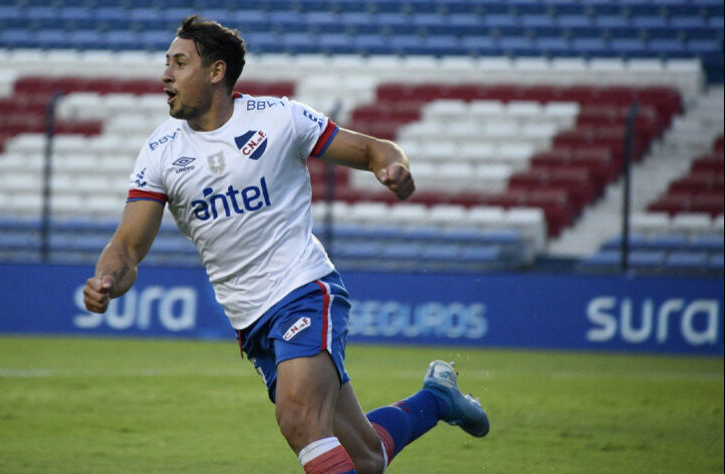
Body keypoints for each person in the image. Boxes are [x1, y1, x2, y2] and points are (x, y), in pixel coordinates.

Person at [83, 15, 489, 474]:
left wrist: (391, 166)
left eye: (179, 63)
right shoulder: (160, 152)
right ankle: (437, 399)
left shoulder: (279, 119)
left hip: (303, 289)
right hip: (250, 320)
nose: (165, 75)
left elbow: (375, 149)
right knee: (366, 457)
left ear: (216, 72)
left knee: (298, 419)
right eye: (167, 63)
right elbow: (128, 246)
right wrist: (108, 279)